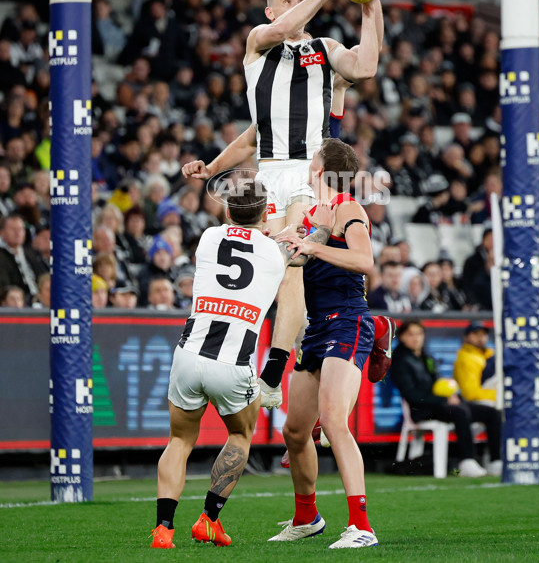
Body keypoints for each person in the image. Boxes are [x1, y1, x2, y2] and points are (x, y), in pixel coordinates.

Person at [182, 0, 384, 408]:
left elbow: (367, 64)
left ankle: (273, 371)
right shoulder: (258, 43)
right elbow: (254, 135)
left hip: (308, 171)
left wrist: (370, 4)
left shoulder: (323, 49)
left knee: (294, 259)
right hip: (267, 172)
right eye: (287, 2)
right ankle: (297, 351)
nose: (297, 7)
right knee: (266, 269)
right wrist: (212, 165)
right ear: (271, 13)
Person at [150, 179, 335, 549]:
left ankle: (163, 529)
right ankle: (208, 519)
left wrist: (269, 230)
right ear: (266, 213)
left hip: (189, 356)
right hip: (233, 365)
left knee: (179, 440)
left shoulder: (207, 239)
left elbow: (242, 237)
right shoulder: (273, 254)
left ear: (227, 210)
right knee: (238, 436)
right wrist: (324, 226)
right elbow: (297, 251)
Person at [267, 138, 380, 549]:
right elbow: (297, 258)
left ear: (322, 167)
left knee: (333, 421)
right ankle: (306, 517)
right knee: (295, 431)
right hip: (318, 328)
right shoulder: (315, 212)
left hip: (348, 321)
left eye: (313, 157)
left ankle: (361, 527)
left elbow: (364, 261)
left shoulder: (349, 208)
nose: (308, 161)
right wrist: (281, 240)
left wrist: (311, 244)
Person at [453, 321, 539, 474]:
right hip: (492, 404)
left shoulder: (493, 354)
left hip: (511, 400)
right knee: (532, 409)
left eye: (483, 334)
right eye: (475, 334)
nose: (481, 338)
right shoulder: (465, 358)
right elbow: (471, 393)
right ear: (466, 337)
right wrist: (506, 396)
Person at [391, 319, 501, 478]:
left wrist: (451, 395)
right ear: (402, 337)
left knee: (491, 413)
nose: (416, 338)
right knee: (459, 412)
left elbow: (438, 384)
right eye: (410, 334)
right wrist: (443, 399)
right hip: (422, 410)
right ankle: (467, 461)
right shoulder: (400, 361)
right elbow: (412, 395)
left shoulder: (426, 357)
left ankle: (495, 461)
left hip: (439, 404)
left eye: (419, 334)